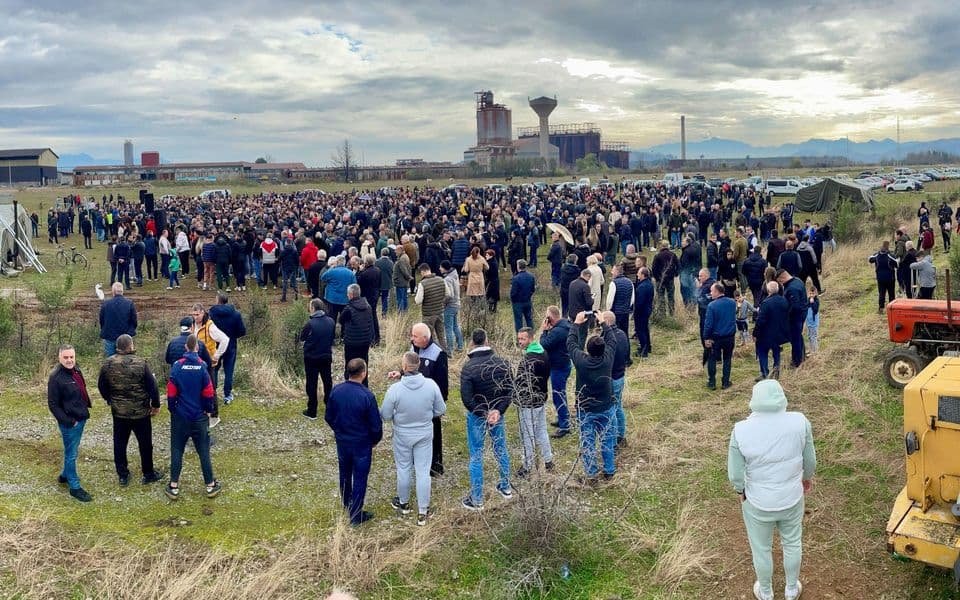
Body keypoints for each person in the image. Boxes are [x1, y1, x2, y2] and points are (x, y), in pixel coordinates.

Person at [728, 380, 816, 600]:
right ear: (781, 397)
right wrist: (805, 479)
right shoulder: (800, 422)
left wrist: (741, 491)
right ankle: (791, 589)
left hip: (757, 502)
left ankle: (766, 592)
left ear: (754, 400)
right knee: (792, 543)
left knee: (761, 549)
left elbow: (736, 475)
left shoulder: (740, 430)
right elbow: (810, 461)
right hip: (792, 497)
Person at [380, 351, 446, 526]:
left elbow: (385, 415)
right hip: (424, 433)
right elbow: (440, 409)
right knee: (423, 472)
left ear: (404, 367)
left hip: (402, 434)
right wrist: (426, 416)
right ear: (418, 366)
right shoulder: (431, 385)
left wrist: (398, 416)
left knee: (403, 468)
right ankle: (423, 511)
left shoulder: (395, 390)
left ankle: (404, 503)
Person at [96, 334, 164, 487]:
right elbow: (152, 386)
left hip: (119, 412)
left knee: (120, 443)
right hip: (141, 412)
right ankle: (148, 473)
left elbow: (101, 385)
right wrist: (156, 404)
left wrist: (110, 399)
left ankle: (123, 475)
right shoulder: (141, 363)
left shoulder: (108, 363)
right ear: (131, 345)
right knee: (145, 444)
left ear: (117, 347)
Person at [460, 328, 514, 510]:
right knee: (501, 448)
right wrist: (497, 411)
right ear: (487, 340)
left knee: (476, 454)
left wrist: (484, 413)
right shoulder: (502, 363)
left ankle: (477, 499)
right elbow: (509, 391)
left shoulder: (468, 367)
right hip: (497, 414)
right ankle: (506, 487)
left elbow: (467, 398)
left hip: (477, 416)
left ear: (472, 342)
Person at [325, 358, 382, 525]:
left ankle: (346, 503)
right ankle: (356, 514)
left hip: (343, 441)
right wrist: (374, 440)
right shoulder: (367, 396)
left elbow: (329, 416)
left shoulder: (336, 391)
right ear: (363, 373)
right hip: (362, 443)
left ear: (348, 371)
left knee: (344, 473)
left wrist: (339, 430)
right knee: (360, 477)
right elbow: (376, 425)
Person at [165, 334, 221, 501]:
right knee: (203, 451)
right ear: (197, 348)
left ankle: (173, 485)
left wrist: (172, 409)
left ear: (186, 348)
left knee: (177, 450)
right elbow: (209, 392)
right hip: (199, 417)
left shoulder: (176, 366)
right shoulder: (202, 366)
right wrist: (208, 410)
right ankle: (210, 485)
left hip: (180, 416)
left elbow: (171, 392)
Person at [566, 311, 618, 484]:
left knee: (587, 441)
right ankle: (609, 470)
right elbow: (612, 339)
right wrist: (603, 322)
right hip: (606, 406)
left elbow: (571, 343)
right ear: (603, 349)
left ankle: (591, 473)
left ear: (587, 349)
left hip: (586, 409)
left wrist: (576, 323)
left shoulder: (581, 361)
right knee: (607, 439)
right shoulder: (608, 358)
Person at [398, 323, 450, 477]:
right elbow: (409, 368)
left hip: (429, 403)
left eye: (415, 336)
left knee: (433, 433)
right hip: (413, 401)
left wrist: (439, 405)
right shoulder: (414, 348)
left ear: (425, 338)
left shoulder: (438, 354)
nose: (412, 339)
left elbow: (442, 384)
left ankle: (435, 463)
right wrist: (400, 373)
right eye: (412, 335)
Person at [47, 344, 93, 502]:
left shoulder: (76, 369)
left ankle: (64, 475)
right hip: (70, 423)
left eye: (71, 357)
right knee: (71, 454)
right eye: (66, 357)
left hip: (81, 417)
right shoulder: (56, 377)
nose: (69, 360)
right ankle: (74, 487)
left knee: (71, 450)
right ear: (59, 358)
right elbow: (53, 405)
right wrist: (68, 421)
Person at [514, 327, 554, 478]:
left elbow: (520, 384)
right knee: (542, 430)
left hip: (529, 403)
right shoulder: (543, 352)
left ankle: (527, 466)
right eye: (519, 339)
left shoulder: (528, 360)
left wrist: (516, 399)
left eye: (522, 339)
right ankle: (548, 460)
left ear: (530, 338)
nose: (520, 342)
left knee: (528, 435)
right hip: (541, 398)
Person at [540, 305, 573, 439]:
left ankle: (564, 425)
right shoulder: (566, 325)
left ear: (550, 318)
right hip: (564, 364)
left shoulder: (556, 332)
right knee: (561, 394)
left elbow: (543, 344)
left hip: (558, 367)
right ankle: (563, 417)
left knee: (558, 396)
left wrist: (544, 331)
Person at [601, 311, 632, 449]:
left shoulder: (608, 339)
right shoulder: (622, 334)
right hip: (620, 375)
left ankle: (612, 441)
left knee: (611, 409)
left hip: (611, 378)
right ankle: (621, 434)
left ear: (606, 322)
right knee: (618, 406)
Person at [208, 292, 246, 406]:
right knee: (229, 371)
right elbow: (242, 331)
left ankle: (213, 393)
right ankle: (227, 395)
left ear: (217, 300)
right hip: (231, 346)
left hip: (215, 346)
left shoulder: (211, 314)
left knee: (214, 369)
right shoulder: (236, 314)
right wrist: (233, 337)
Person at [300, 298, 335, 420]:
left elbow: (302, 338)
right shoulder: (331, 321)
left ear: (313, 308)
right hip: (326, 356)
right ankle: (330, 406)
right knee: (327, 382)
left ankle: (312, 410)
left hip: (312, 357)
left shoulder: (310, 324)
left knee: (311, 384)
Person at [753, 282, 790, 381]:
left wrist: (755, 333)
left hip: (766, 334)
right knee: (776, 351)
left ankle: (765, 373)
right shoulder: (784, 301)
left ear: (768, 290)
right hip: (779, 333)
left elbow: (761, 320)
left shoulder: (766, 303)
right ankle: (776, 369)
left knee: (762, 352)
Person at [703, 282, 737, 390]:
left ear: (717, 292)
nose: (710, 293)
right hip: (729, 336)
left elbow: (708, 324)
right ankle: (725, 382)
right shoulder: (732, 302)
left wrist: (706, 337)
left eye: (712, 291)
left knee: (712, 359)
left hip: (716, 338)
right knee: (727, 359)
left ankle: (712, 382)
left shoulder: (712, 305)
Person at [341, 284, 375, 386]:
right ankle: (364, 385)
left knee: (350, 365)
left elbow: (341, 319)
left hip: (351, 343)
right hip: (365, 342)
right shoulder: (368, 306)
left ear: (351, 295)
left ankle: (350, 385)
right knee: (363, 364)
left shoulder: (349, 309)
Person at [777, 269, 808, 368]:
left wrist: (786, 315)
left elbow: (795, 306)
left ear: (783, 277)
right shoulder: (798, 281)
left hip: (795, 317)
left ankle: (797, 362)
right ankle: (802, 356)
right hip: (802, 313)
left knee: (795, 339)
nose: (780, 284)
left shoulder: (792, 289)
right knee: (798, 337)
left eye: (780, 281)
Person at [99, 282, 137, 357]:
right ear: (122, 292)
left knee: (111, 362)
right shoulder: (129, 304)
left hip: (110, 337)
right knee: (127, 362)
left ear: (113, 292)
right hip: (125, 339)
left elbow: (101, 320)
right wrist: (129, 334)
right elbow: (134, 322)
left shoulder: (106, 304)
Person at [415, 263, 448, 349]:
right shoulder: (441, 280)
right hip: (440, 311)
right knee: (441, 334)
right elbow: (448, 294)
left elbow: (418, 301)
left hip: (428, 314)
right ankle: (445, 352)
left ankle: (434, 353)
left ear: (423, 271)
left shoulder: (422, 283)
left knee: (429, 335)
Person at [321, 256, 356, 331]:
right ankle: (343, 336)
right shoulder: (350, 273)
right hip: (345, 300)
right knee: (344, 320)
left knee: (331, 319)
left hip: (332, 299)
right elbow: (354, 285)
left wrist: (331, 268)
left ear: (336, 262)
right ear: (345, 262)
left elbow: (323, 278)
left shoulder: (332, 271)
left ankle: (331, 336)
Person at [868, 241, 898, 313]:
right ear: (888, 247)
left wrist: (877, 253)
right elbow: (896, 264)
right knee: (891, 293)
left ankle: (881, 308)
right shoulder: (890, 256)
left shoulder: (876, 255)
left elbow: (870, 259)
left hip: (880, 278)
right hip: (890, 278)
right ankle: (891, 309)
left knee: (881, 293)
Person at [651, 240, 679, 315]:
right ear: (668, 246)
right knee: (671, 297)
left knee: (661, 297)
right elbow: (678, 265)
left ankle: (662, 313)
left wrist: (657, 278)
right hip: (670, 279)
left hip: (660, 280)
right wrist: (675, 274)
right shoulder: (673, 254)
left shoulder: (657, 256)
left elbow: (654, 268)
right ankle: (672, 312)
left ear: (661, 246)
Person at [440, 260, 464, 352]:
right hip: (457, 304)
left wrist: (443, 302)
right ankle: (460, 346)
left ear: (444, 268)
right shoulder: (455, 275)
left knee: (448, 328)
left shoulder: (447, 279)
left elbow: (449, 294)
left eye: (441, 267)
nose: (439, 268)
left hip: (450, 306)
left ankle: (450, 349)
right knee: (455, 326)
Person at [605, 263, 634, 334]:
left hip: (616, 312)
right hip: (626, 312)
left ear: (617, 272)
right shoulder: (630, 282)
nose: (611, 272)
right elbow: (632, 299)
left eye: (613, 270)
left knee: (615, 332)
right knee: (624, 332)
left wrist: (608, 310)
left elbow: (609, 301)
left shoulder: (613, 283)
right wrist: (627, 307)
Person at [510, 259, 536, 332]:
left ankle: (520, 335)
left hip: (518, 302)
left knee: (518, 320)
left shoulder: (516, 278)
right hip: (527, 301)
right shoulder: (531, 276)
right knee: (529, 319)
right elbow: (533, 289)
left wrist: (513, 300)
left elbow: (513, 293)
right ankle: (531, 333)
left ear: (518, 266)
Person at [633, 267, 654, 357]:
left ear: (643, 275)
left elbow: (639, 302)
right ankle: (648, 347)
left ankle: (643, 350)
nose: (637, 274)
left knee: (640, 330)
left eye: (638, 273)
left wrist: (634, 311)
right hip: (647, 309)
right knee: (645, 329)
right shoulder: (649, 284)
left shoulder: (642, 287)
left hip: (641, 312)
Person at [375, 248, 394, 317]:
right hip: (387, 283)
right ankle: (384, 312)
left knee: (376, 297)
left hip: (378, 283)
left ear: (381, 253)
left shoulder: (377, 262)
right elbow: (392, 272)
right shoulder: (391, 263)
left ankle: (374, 310)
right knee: (385, 298)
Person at [280, 236, 300, 301]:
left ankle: (283, 297)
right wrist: (296, 266)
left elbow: (280, 259)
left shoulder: (283, 251)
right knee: (294, 282)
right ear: (291, 243)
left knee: (285, 282)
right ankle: (297, 296)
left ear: (286, 243)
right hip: (292, 268)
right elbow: (297, 260)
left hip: (285, 268)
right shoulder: (294, 251)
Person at [805, 287, 820, 354]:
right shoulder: (808, 300)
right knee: (809, 336)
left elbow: (816, 310)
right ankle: (811, 349)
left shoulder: (816, 301)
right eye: (810, 293)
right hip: (808, 322)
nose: (811, 295)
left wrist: (813, 302)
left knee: (814, 336)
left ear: (816, 293)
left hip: (814, 323)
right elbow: (806, 307)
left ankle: (815, 351)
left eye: (813, 293)